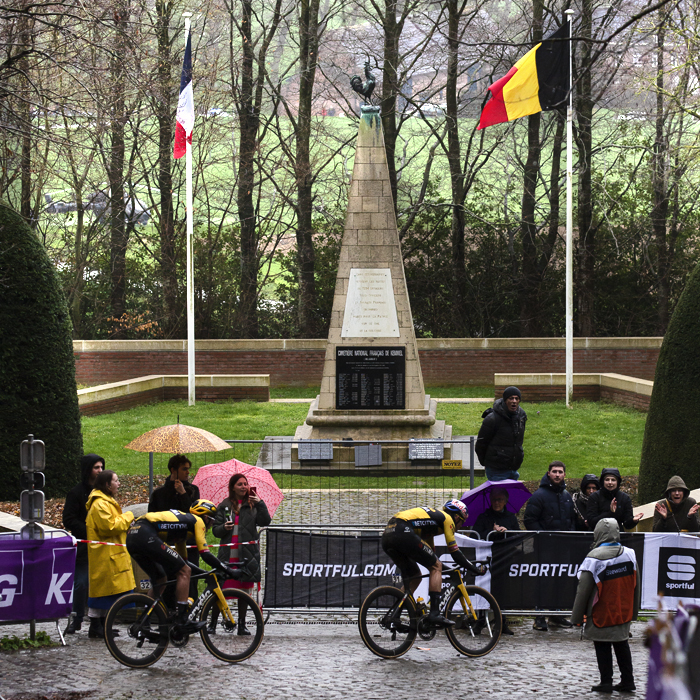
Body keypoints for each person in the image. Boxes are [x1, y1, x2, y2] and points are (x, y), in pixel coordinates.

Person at [126, 499, 238, 634]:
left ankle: (144, 622)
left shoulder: (181, 529)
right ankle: (183, 618)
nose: (210, 526)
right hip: (145, 533)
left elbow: (183, 561)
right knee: (184, 572)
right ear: (206, 517)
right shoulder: (198, 521)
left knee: (161, 580)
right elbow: (205, 554)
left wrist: (205, 573)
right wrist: (228, 570)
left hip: (133, 536)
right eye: (212, 521)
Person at [381, 500, 485, 627]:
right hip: (403, 530)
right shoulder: (448, 520)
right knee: (436, 567)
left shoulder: (431, 527)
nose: (460, 527)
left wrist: (447, 569)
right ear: (457, 517)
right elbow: (455, 553)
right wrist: (474, 568)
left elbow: (432, 557)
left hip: (388, 534)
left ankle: (395, 616)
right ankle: (435, 613)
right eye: (462, 522)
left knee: (415, 576)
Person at [571, 518, 638, 694]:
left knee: (602, 645)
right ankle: (628, 680)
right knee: (622, 644)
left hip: (600, 610)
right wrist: (634, 610)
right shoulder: (630, 554)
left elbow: (583, 590)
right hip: (623, 609)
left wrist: (576, 617)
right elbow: (635, 583)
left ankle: (606, 681)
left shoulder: (593, 557)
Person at [210, 473, 271, 635]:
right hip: (227, 556)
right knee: (221, 591)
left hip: (246, 556)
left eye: (245, 484)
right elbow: (215, 530)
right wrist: (224, 527)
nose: (244, 487)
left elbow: (265, 522)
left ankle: (242, 625)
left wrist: (261, 504)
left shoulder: (253, 505)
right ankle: (212, 624)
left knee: (244, 592)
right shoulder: (224, 505)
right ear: (232, 488)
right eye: (240, 484)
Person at [524, 460, 576, 631]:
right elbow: (529, 520)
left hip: (563, 548)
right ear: (548, 473)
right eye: (554, 471)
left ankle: (556, 614)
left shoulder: (567, 496)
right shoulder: (539, 495)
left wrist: (570, 534)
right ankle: (539, 616)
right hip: (544, 547)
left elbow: (572, 520)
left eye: (560, 472)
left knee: (561, 581)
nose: (557, 474)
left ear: (564, 475)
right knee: (543, 581)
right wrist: (545, 536)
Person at [85, 470, 135, 639]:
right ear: (107, 485)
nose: (119, 483)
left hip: (110, 554)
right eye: (116, 480)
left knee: (107, 593)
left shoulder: (106, 502)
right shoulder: (100, 504)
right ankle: (96, 626)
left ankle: (104, 625)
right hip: (105, 555)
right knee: (101, 593)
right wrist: (128, 516)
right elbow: (110, 526)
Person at [62, 453, 104, 634]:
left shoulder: (104, 492)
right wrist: (89, 530)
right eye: (96, 467)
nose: (100, 471)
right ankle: (77, 618)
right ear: (88, 470)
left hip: (102, 546)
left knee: (102, 583)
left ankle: (101, 621)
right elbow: (69, 519)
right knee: (80, 583)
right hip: (84, 546)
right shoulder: (76, 493)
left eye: (102, 467)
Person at [148, 454, 201, 599]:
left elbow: (194, 516)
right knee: (168, 580)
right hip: (166, 544)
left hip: (188, 543)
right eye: (184, 469)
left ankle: (189, 612)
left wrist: (183, 494)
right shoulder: (159, 494)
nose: (188, 472)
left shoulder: (192, 490)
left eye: (188, 469)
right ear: (173, 470)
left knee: (190, 580)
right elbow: (152, 518)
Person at [473, 487, 520, 636]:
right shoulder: (484, 516)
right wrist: (491, 532)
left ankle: (501, 621)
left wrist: (507, 532)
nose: (496, 502)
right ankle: (480, 621)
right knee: (483, 589)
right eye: (494, 499)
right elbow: (475, 535)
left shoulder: (511, 517)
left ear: (505, 501)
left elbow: (518, 536)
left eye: (499, 499)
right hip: (486, 558)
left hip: (505, 558)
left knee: (503, 590)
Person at [475, 386, 527, 482]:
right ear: (505, 400)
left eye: (517, 398)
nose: (514, 401)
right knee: (499, 496)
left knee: (510, 496)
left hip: (513, 468)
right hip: (496, 470)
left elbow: (519, 441)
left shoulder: (521, 416)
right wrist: (487, 463)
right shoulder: (492, 419)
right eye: (511, 398)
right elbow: (481, 444)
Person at [586, 468, 643, 532]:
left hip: (617, 535)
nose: (610, 483)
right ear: (603, 482)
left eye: (613, 480)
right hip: (597, 534)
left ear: (617, 482)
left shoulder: (624, 498)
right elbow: (591, 522)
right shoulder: (594, 497)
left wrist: (633, 520)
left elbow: (627, 524)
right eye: (607, 480)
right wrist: (610, 513)